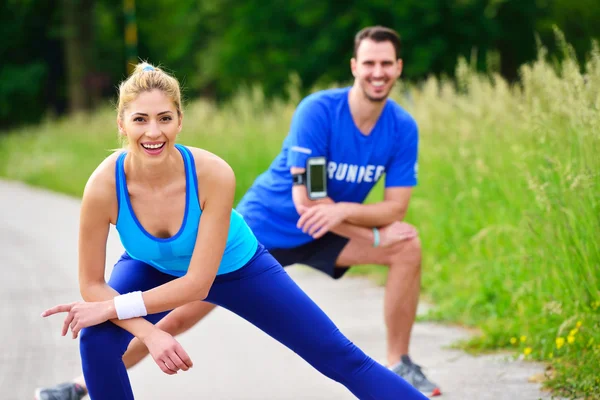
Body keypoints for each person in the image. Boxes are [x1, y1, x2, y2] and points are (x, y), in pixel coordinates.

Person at [36, 25, 441, 399]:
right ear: (122, 124)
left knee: (340, 357)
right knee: (97, 336)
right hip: (154, 264)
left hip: (235, 266)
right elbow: (92, 284)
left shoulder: (213, 173)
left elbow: (197, 283)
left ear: (180, 121)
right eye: (140, 119)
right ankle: (80, 385)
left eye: (165, 118)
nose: (153, 132)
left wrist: (115, 307)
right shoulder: (103, 186)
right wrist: (148, 333)